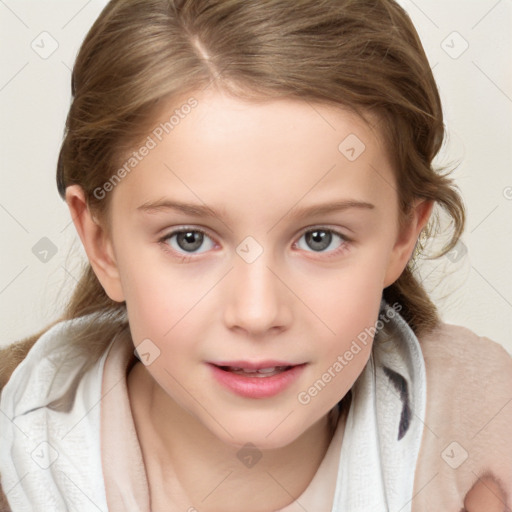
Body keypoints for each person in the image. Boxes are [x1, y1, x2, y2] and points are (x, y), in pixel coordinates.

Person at [0, 0, 511, 511]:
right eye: (190, 239)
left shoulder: (484, 431)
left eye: (319, 238)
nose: (257, 312)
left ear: (402, 236)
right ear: (102, 244)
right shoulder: (14, 454)